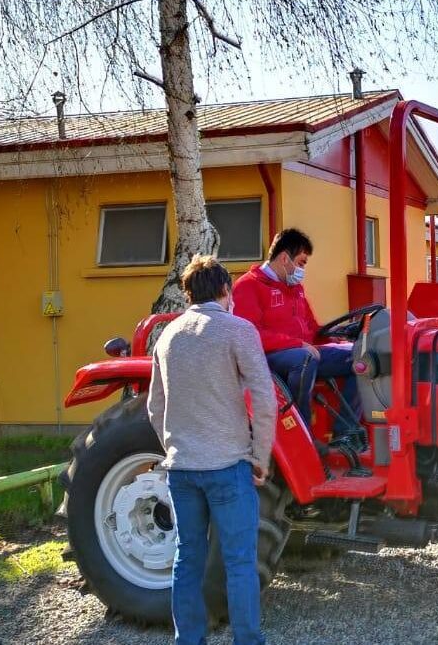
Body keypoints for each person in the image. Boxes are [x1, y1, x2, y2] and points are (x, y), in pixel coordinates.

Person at [147, 255, 276, 645]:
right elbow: (265, 398)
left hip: (182, 469)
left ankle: (188, 640)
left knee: (187, 558)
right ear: (225, 291)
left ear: (188, 294)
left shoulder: (167, 337)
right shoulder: (238, 330)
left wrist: (175, 447)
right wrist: (261, 454)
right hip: (228, 466)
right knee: (239, 563)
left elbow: (155, 407)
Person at [232, 228, 363, 446]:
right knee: (304, 360)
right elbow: (250, 335)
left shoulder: (295, 288)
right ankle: (302, 436)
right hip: (268, 359)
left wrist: (337, 341)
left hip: (303, 353)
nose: (302, 270)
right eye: (301, 263)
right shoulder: (248, 286)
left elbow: (312, 328)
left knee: (361, 358)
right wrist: (298, 343)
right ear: (284, 258)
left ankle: (346, 433)